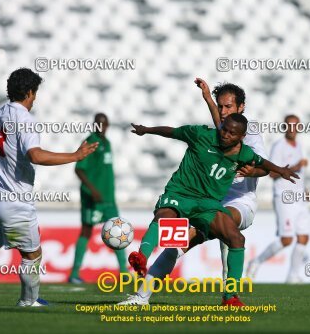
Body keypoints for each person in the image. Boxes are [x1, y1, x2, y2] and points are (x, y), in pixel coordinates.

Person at [119, 78, 269, 305]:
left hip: (240, 203)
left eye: (228, 106)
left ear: (241, 107)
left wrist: (251, 171)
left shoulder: (251, 133)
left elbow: (263, 167)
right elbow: (215, 122)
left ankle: (231, 296)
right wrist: (208, 98)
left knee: (228, 232)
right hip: (208, 202)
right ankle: (141, 297)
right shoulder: (221, 132)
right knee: (175, 246)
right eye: (220, 106)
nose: (223, 111)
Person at [0, 68, 98, 306]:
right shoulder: (25, 119)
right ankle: (28, 301)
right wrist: (75, 156)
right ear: (30, 92)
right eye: (35, 94)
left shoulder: (1, 113)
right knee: (32, 254)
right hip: (15, 200)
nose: (35, 99)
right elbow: (35, 155)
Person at [127, 113, 299, 305]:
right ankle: (141, 258)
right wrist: (147, 130)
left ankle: (230, 296)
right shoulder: (201, 134)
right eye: (224, 129)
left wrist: (280, 170)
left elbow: (261, 163)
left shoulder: (244, 153)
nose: (225, 134)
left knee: (236, 239)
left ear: (241, 137)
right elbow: (172, 132)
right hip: (180, 194)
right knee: (165, 217)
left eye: (231, 133)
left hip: (207, 204)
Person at [247, 114, 310, 283]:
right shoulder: (279, 146)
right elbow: (272, 173)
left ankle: (293, 276)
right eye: (289, 125)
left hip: (299, 198)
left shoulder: (300, 147)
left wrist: (305, 189)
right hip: (284, 198)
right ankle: (256, 262)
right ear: (284, 127)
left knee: (304, 237)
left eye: (295, 125)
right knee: (287, 239)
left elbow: (300, 175)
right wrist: (296, 167)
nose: (292, 129)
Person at [69, 113, 127, 283]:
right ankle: (74, 274)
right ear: (94, 125)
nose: (102, 127)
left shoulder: (107, 142)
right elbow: (79, 169)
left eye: (105, 124)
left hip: (109, 198)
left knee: (118, 231)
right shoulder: (90, 142)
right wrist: (92, 189)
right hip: (92, 197)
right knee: (86, 231)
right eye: (99, 124)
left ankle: (124, 273)